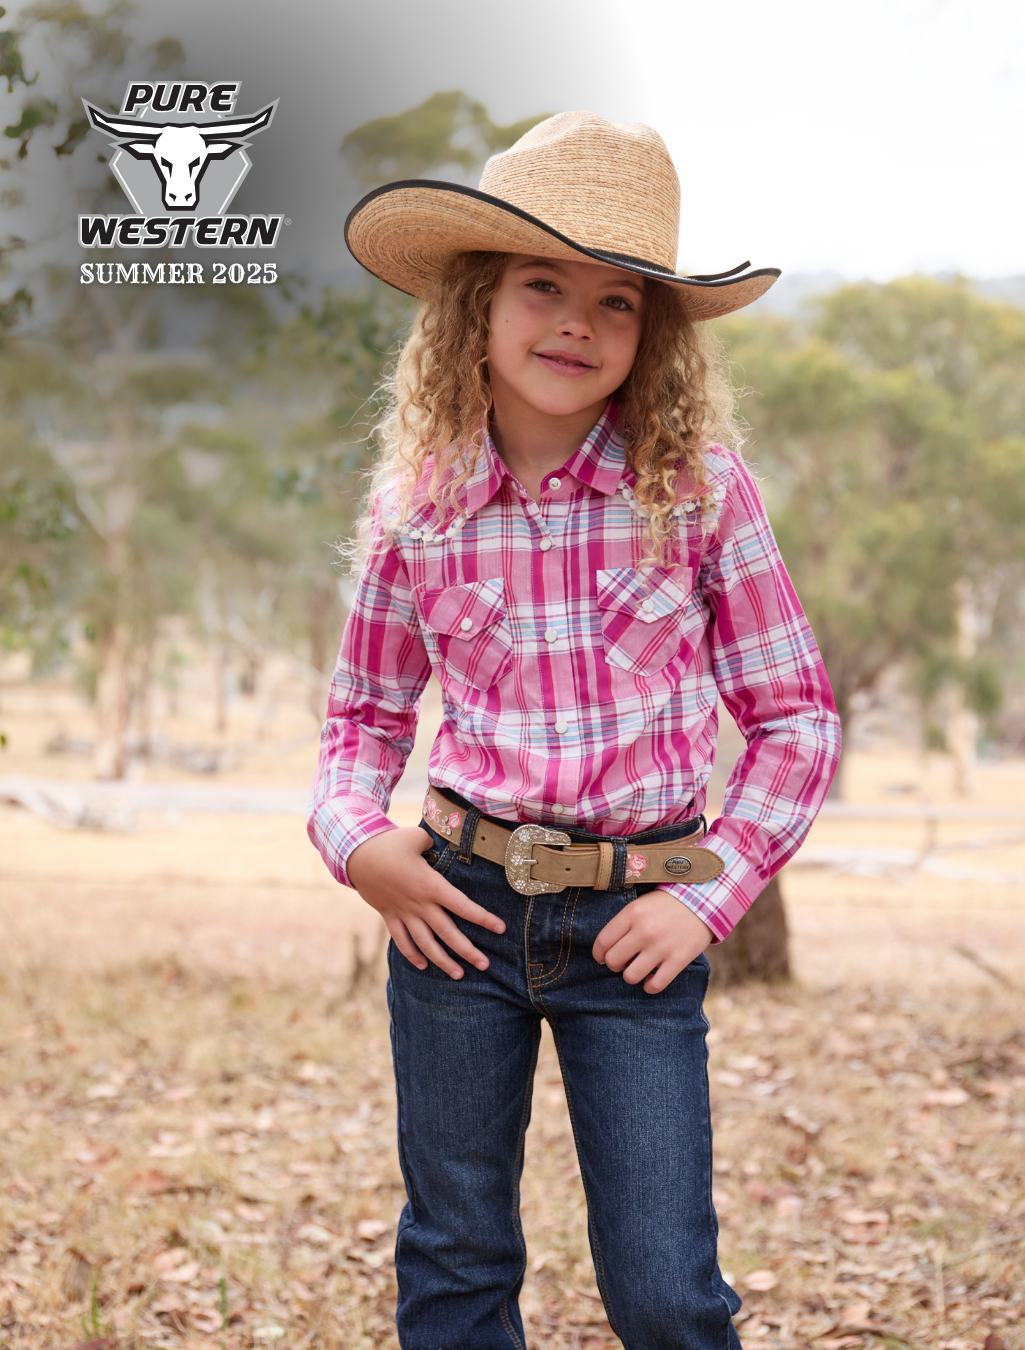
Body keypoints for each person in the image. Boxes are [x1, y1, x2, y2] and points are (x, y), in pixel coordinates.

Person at [309, 111, 841, 1350]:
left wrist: (711, 897)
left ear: (650, 333)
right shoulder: (418, 508)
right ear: (475, 309)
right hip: (458, 914)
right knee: (456, 1261)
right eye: (543, 286)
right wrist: (358, 843)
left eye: (616, 302)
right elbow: (362, 720)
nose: (576, 325)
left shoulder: (699, 491)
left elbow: (795, 720)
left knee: (664, 1290)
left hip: (638, 924)